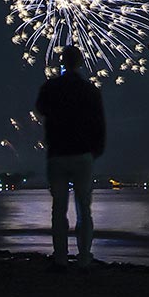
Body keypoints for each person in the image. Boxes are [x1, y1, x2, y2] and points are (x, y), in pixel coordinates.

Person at [34, 45, 105, 271]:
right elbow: (99, 123)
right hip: (83, 154)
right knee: (84, 207)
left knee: (59, 209)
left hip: (57, 154)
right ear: (80, 62)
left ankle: (61, 257)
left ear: (62, 62)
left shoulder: (50, 87)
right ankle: (84, 257)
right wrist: (96, 150)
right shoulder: (90, 90)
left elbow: (40, 109)